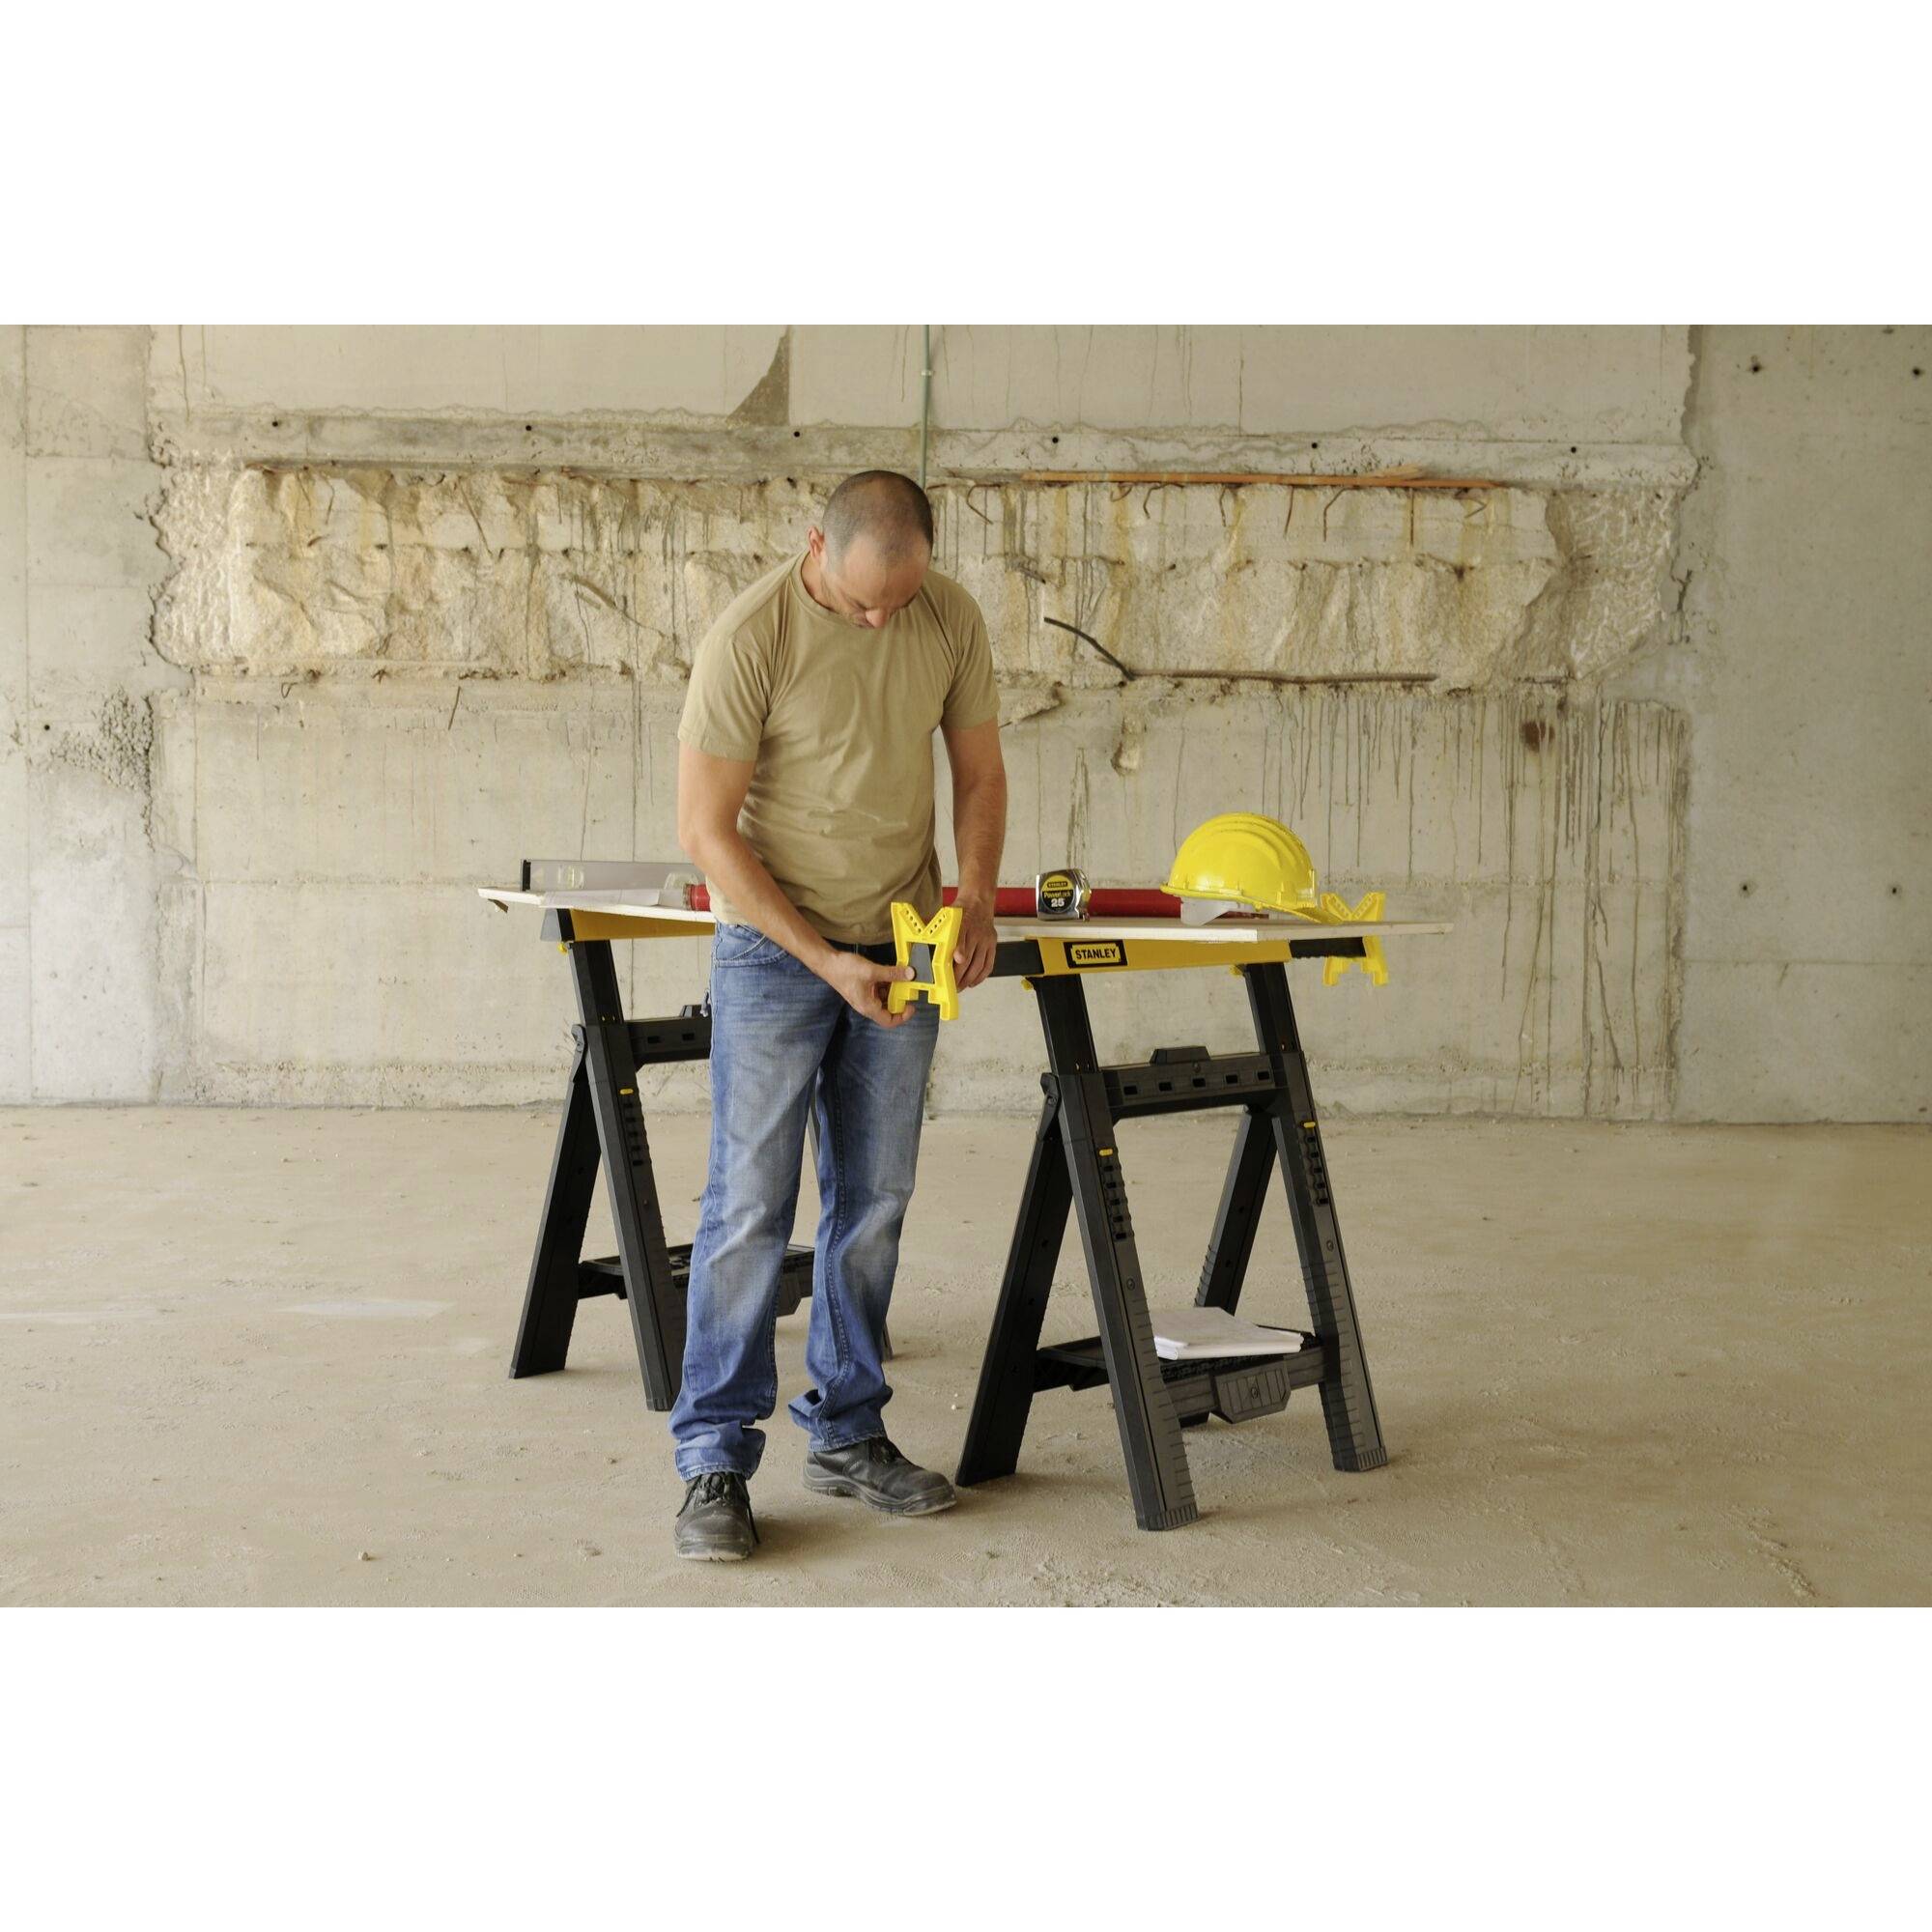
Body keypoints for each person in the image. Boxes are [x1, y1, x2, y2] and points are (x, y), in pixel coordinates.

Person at [668, 470, 1008, 1560]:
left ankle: (847, 1428)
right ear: (815, 544)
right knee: (749, 1206)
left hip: (901, 938)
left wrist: (974, 897)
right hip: (774, 945)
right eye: (863, 603)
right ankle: (713, 1456)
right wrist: (821, 960)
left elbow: (979, 772)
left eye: (896, 603)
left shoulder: (944, 614)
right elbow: (707, 831)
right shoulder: (748, 635)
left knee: (875, 1198)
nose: (880, 621)